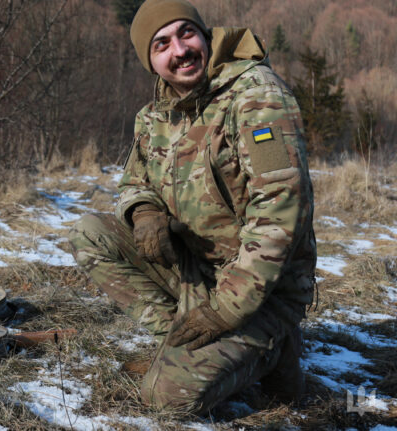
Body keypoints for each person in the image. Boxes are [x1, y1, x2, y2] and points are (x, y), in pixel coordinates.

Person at [68, 0, 316, 415]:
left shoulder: (256, 98)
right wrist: (144, 213)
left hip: (263, 290)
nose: (179, 50)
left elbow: (281, 211)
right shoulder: (154, 116)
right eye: (161, 44)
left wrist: (224, 311)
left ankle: (274, 348)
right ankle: (184, 341)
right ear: (150, 62)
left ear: (204, 35)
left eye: (186, 33)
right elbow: (133, 182)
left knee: (166, 400)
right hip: (195, 272)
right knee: (89, 234)